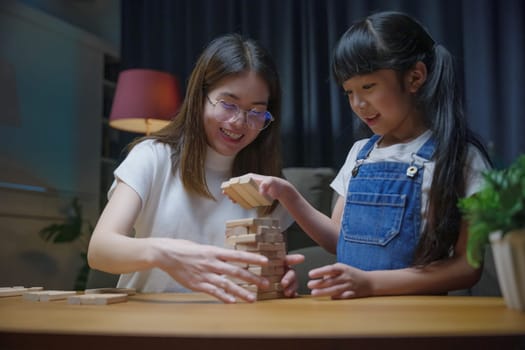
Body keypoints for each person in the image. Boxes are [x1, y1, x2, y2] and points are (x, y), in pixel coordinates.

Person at [240, 11, 492, 299]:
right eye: (349, 92)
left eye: (368, 87)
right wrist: (289, 196)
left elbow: (468, 266)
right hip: (351, 316)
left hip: (419, 318)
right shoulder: (361, 153)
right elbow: (337, 239)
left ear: (415, 77)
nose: (358, 104)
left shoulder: (461, 158)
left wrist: (371, 284)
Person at [87, 33, 304, 303]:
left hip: (232, 327)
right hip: (148, 323)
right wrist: (164, 253)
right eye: (228, 104)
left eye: (256, 111)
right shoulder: (153, 156)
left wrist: (278, 279)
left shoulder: (269, 183)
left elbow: (267, 270)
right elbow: (99, 250)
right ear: (200, 97)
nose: (239, 122)